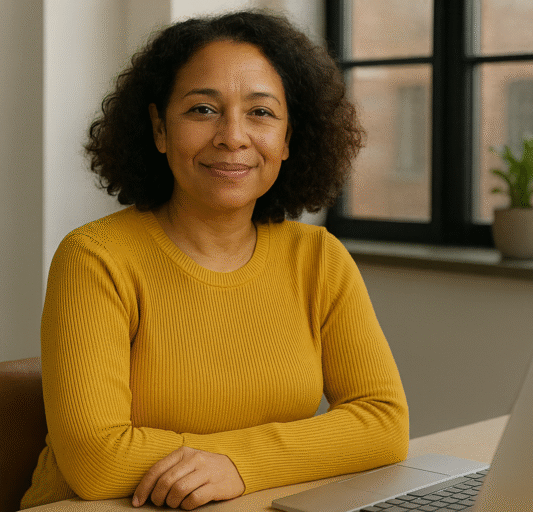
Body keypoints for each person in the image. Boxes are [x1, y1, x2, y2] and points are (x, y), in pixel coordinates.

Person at [21, 10, 409, 510]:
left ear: (289, 139)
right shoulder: (95, 257)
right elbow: (98, 462)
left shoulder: (318, 257)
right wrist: (269, 456)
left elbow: (383, 422)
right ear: (159, 129)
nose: (232, 136)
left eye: (261, 113)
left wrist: (238, 464)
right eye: (203, 110)